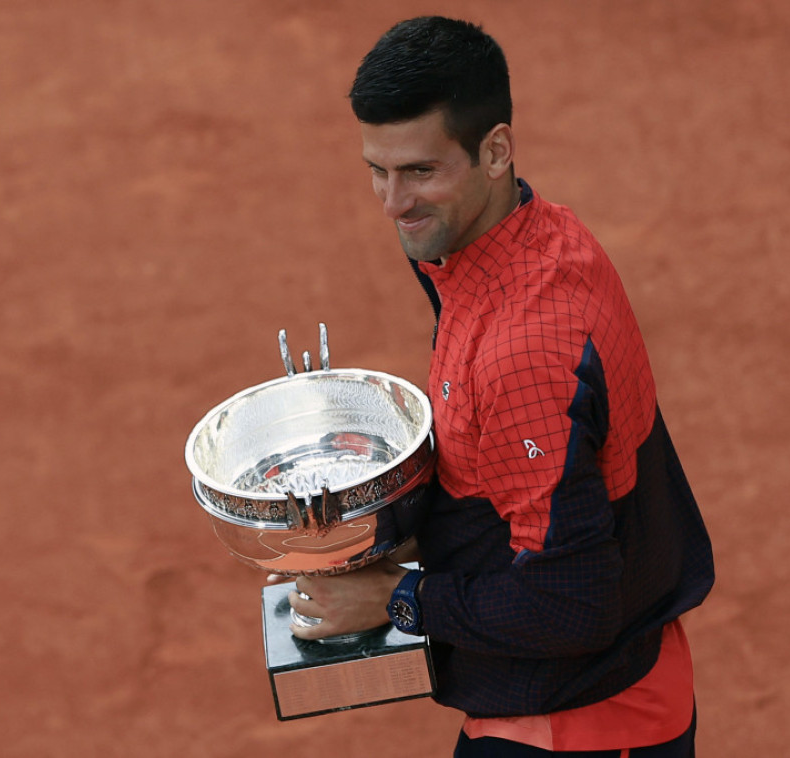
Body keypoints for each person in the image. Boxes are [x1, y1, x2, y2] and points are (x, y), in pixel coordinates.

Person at [284, 16, 715, 757]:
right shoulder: (524, 233)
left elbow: (571, 602)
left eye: (420, 171)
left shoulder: (524, 353)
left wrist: (397, 596)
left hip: (576, 725)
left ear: (496, 151)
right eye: (377, 171)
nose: (393, 203)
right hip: (601, 692)